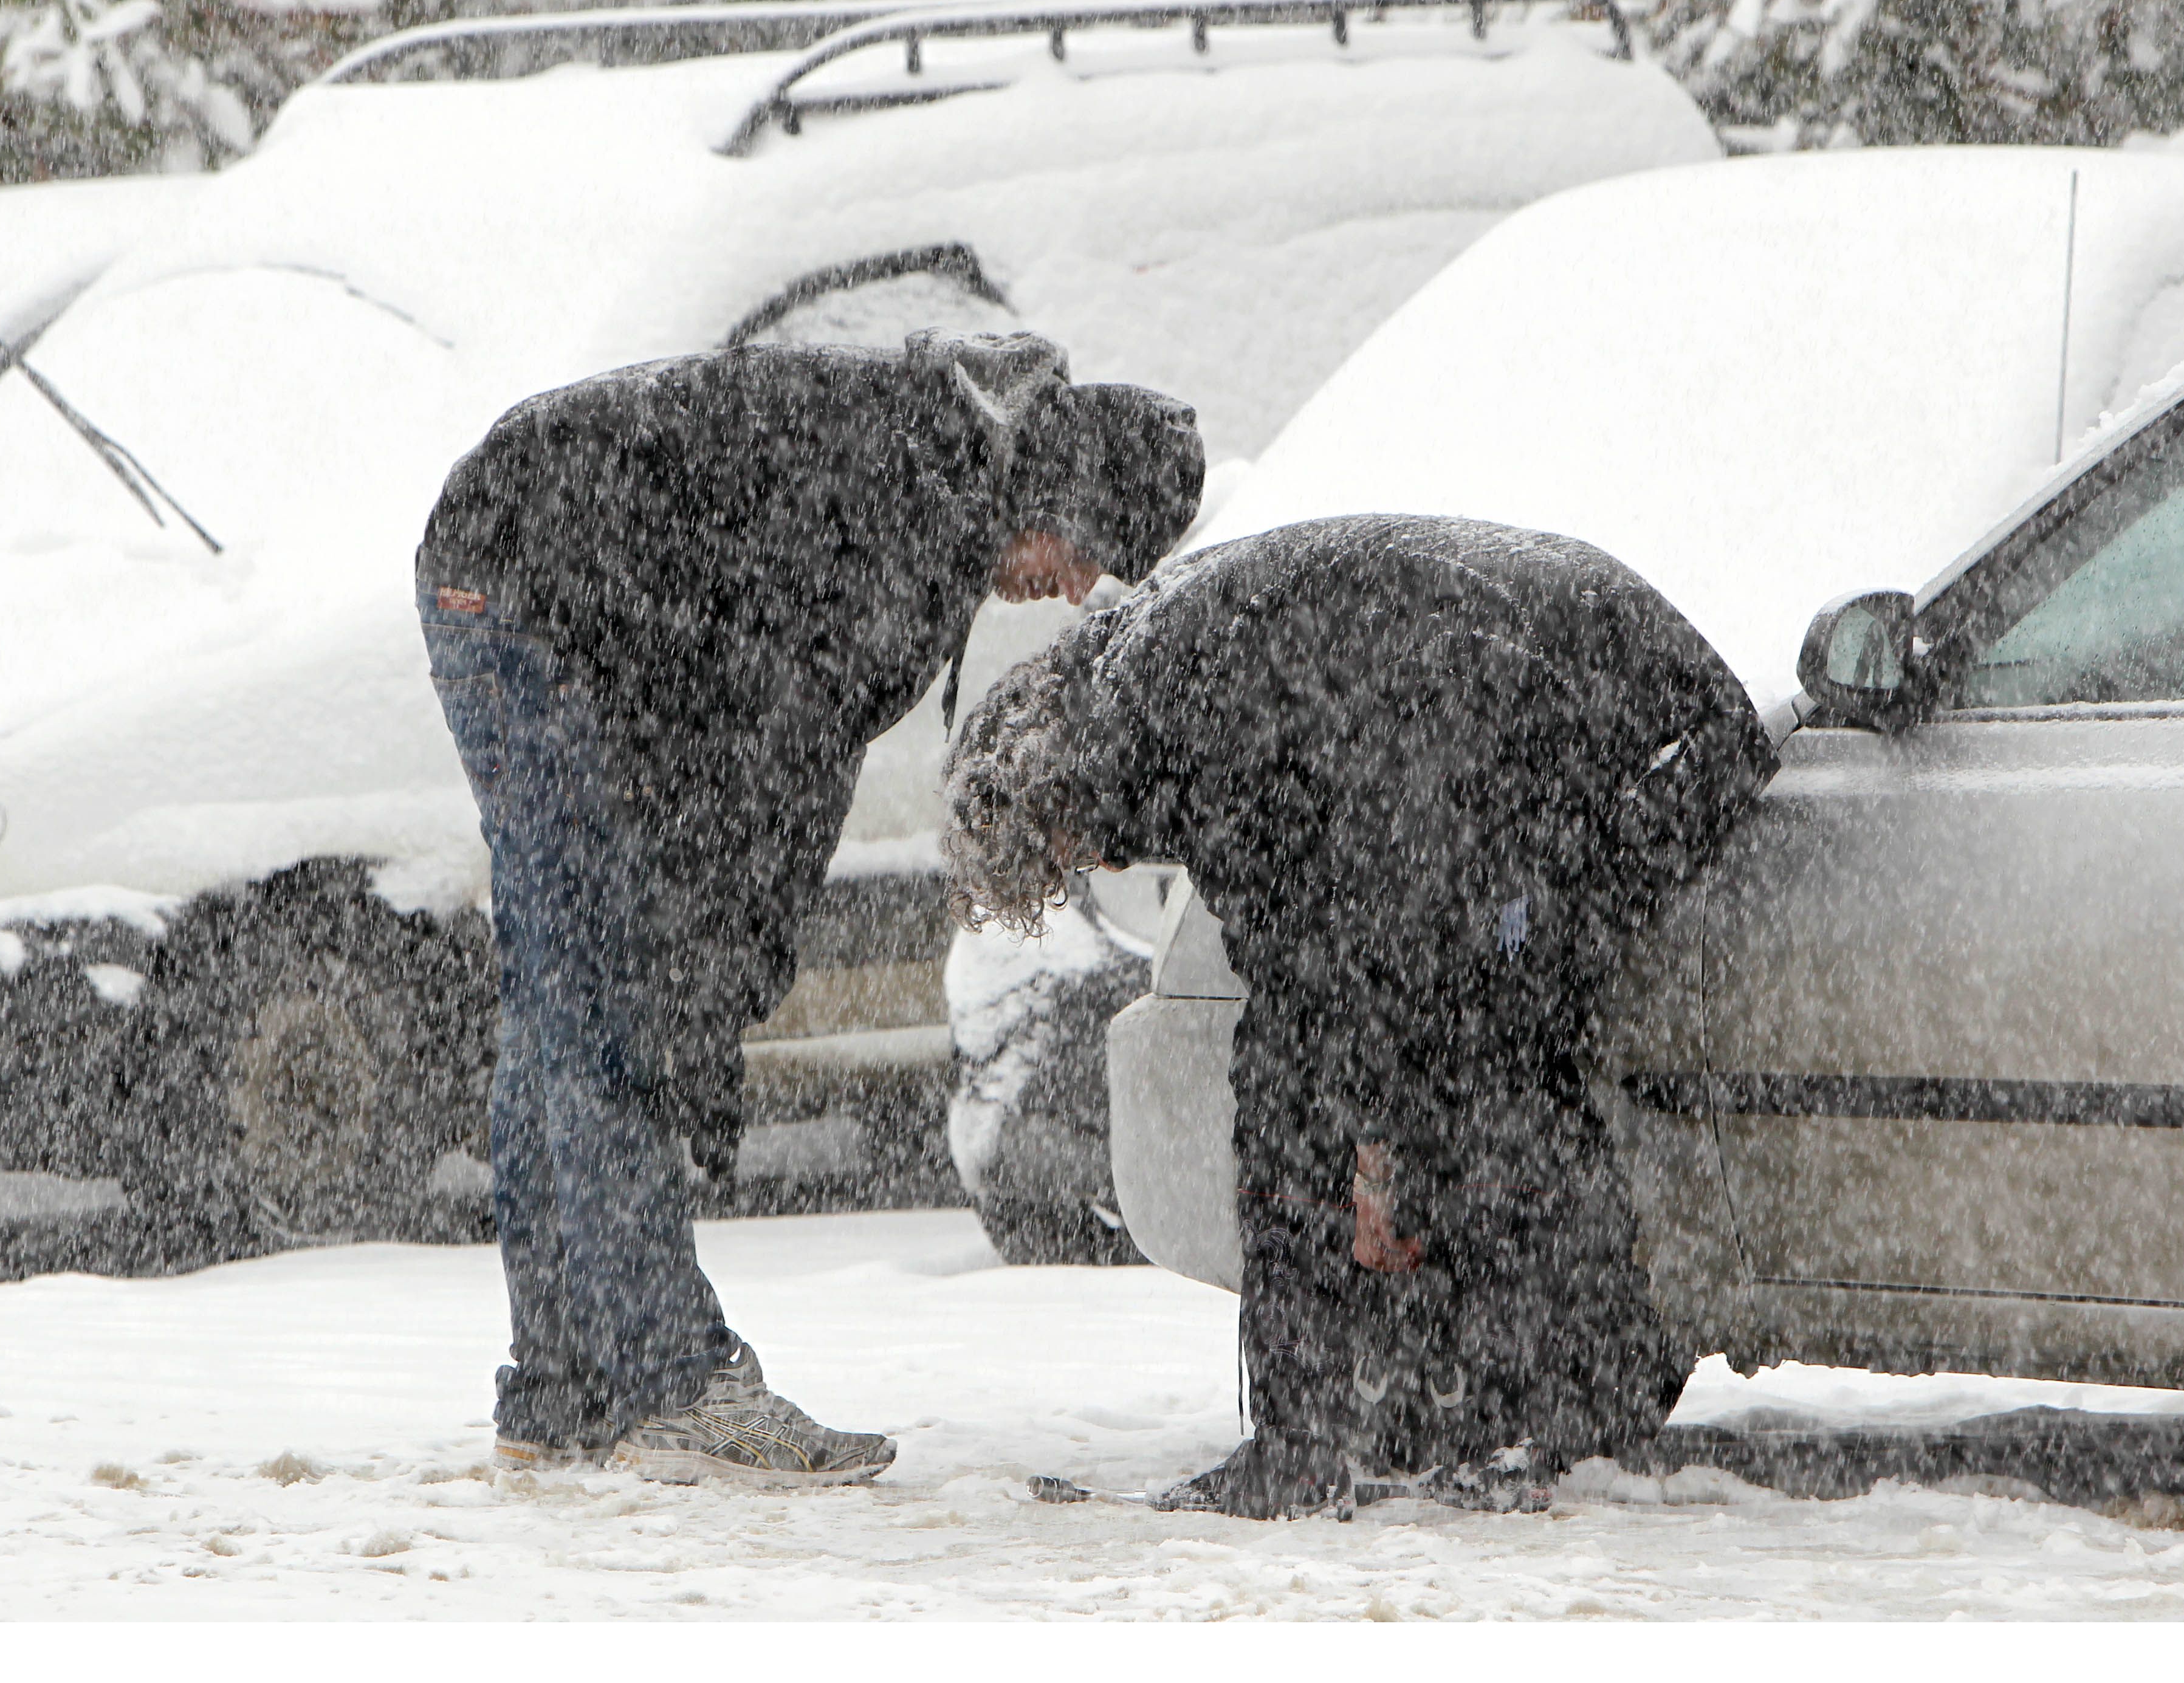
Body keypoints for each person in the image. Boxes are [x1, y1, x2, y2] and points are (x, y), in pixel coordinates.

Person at [417, 330, 1204, 1483]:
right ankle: (668, 1382)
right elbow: (778, 760)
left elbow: (757, 724)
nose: (1078, 585)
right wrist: (720, 974)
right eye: (1089, 548)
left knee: (562, 998)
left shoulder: (946, 470)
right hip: (534, 587)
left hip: (537, 571)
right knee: (602, 994)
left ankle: (567, 1387)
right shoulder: (918, 508)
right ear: (1063, 485)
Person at [943, 514, 1776, 1517]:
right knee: (1458, 1027)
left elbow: (1309, 979)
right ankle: (1524, 1395)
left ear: (1063, 796)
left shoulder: (1182, 714)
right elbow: (1332, 926)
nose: (1106, 867)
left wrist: (1368, 1158)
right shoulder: (1158, 664)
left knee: (1391, 1064)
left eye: (1078, 851)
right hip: (1586, 689)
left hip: (1623, 727)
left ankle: (1351, 1440)